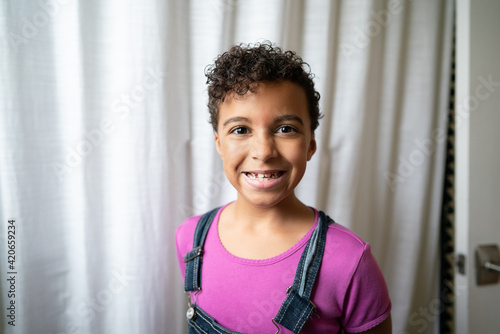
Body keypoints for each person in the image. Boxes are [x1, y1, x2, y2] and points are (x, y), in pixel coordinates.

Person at [175, 42, 392, 334]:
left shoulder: (350, 261)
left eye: (285, 128)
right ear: (219, 145)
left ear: (310, 145)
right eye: (240, 130)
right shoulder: (190, 239)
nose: (263, 152)